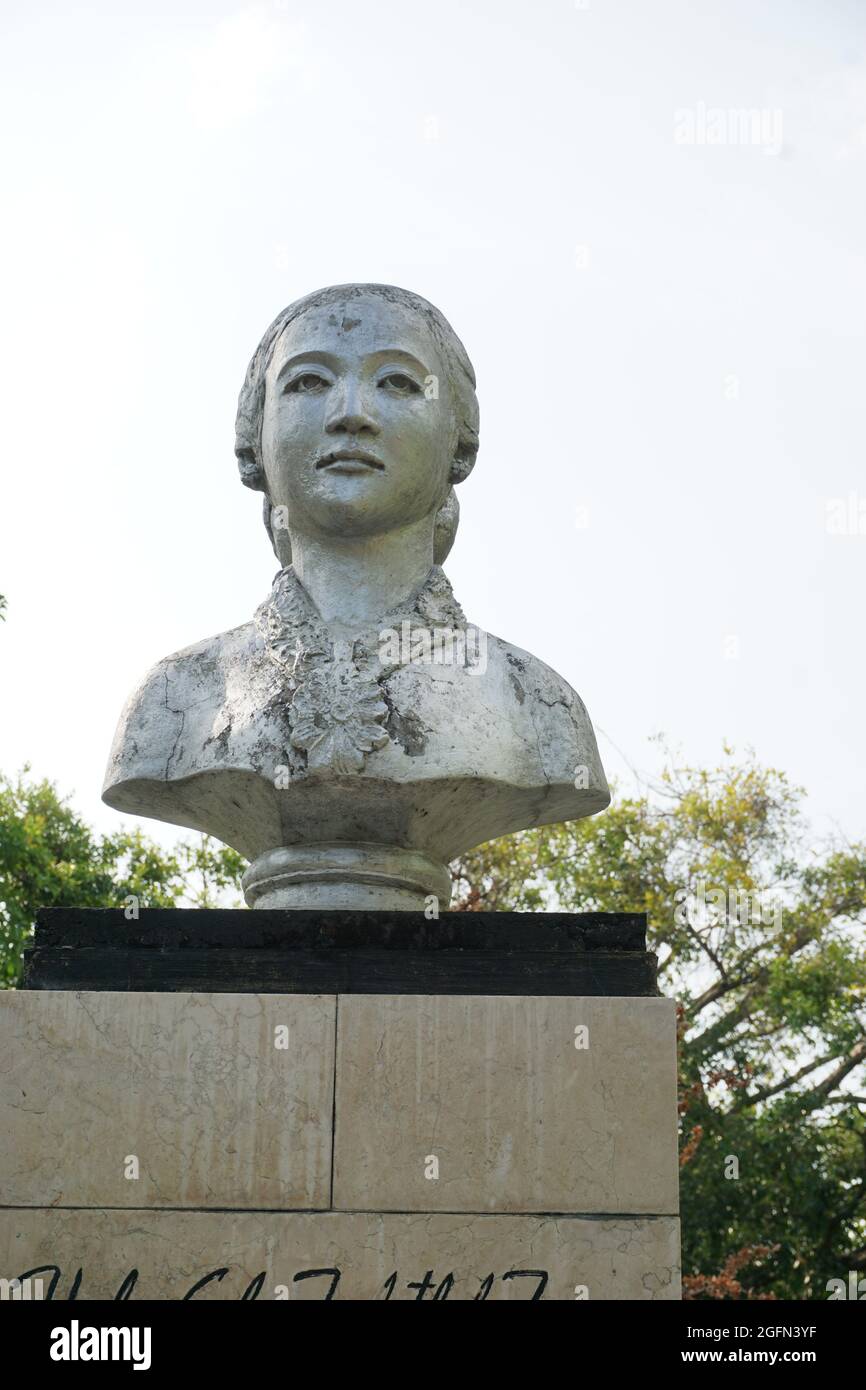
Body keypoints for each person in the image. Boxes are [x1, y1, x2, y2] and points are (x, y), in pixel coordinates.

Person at [103, 284, 610, 909]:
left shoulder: (536, 709)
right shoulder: (174, 704)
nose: (351, 414)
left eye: (397, 383)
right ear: (253, 441)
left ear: (460, 440)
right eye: (308, 383)